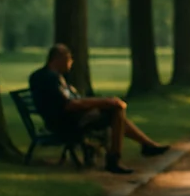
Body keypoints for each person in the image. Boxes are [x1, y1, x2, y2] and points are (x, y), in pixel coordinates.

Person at [28, 44, 169, 175]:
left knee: (115, 110)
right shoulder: (49, 78)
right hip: (66, 124)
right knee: (115, 110)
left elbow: (73, 102)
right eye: (69, 59)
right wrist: (104, 102)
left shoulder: (51, 76)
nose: (71, 62)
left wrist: (102, 102)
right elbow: (70, 105)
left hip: (69, 119)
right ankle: (115, 159)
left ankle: (145, 146)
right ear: (58, 59)